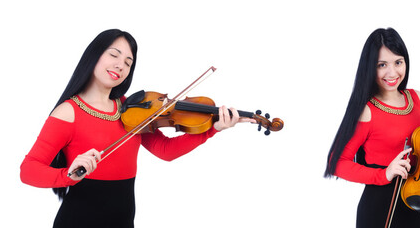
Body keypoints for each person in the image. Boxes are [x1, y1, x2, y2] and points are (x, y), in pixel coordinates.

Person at [20, 29, 251, 228]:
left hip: (123, 220)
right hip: (80, 220)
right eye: (114, 55)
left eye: (129, 63)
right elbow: (28, 170)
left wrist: (213, 129)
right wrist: (68, 174)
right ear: (94, 55)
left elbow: (165, 150)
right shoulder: (68, 112)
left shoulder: (131, 108)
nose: (121, 65)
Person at [324, 28, 420, 228]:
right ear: (370, 68)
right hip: (379, 209)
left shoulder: (417, 98)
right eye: (382, 65)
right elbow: (337, 163)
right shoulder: (366, 111)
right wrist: (384, 174)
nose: (392, 73)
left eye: (398, 62)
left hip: (419, 201)